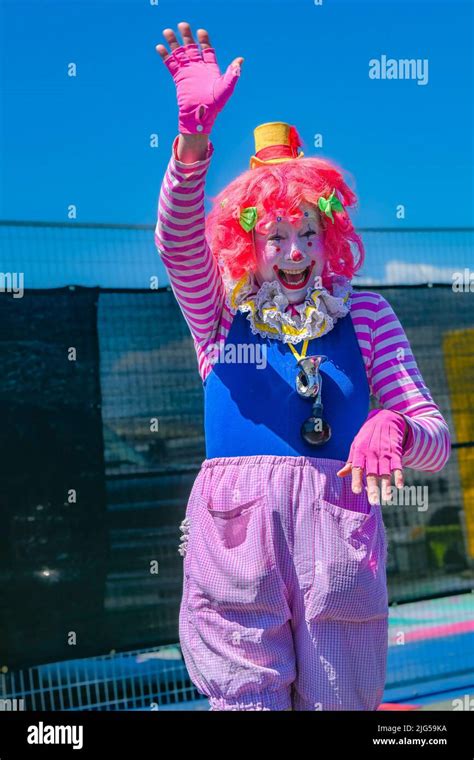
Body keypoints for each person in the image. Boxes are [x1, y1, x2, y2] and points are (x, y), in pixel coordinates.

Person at [154, 22, 451, 711]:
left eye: (308, 234)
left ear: (330, 238)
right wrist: (194, 146)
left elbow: (432, 437)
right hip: (236, 548)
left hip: (336, 547)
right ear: (247, 245)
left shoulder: (367, 315)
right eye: (275, 236)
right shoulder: (218, 313)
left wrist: (395, 429)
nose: (293, 254)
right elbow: (175, 244)